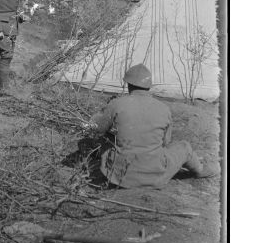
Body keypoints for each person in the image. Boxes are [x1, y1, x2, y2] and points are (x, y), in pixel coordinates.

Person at [84, 63, 217, 188]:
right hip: (155, 175)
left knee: (105, 140)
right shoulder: (164, 108)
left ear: (128, 84)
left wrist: (105, 112)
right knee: (184, 147)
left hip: (118, 177)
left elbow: (94, 127)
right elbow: (165, 142)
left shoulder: (116, 104)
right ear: (149, 86)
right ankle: (199, 170)